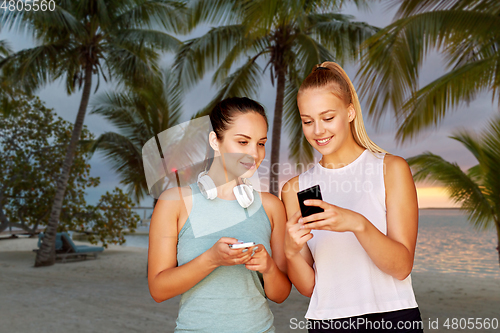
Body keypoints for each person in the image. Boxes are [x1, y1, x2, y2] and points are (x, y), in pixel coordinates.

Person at [282, 62, 423, 332]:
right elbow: (309, 287)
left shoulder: (390, 169)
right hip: (326, 323)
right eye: (307, 121)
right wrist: (290, 252)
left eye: (327, 118)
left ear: (349, 112)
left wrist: (357, 223)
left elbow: (402, 267)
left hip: (392, 317)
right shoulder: (296, 189)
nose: (318, 131)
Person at [148, 97, 290, 332]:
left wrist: (269, 268)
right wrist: (211, 260)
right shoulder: (173, 202)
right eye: (243, 142)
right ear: (215, 140)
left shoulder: (272, 207)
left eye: (261, 143)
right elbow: (158, 290)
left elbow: (281, 294)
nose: (255, 153)